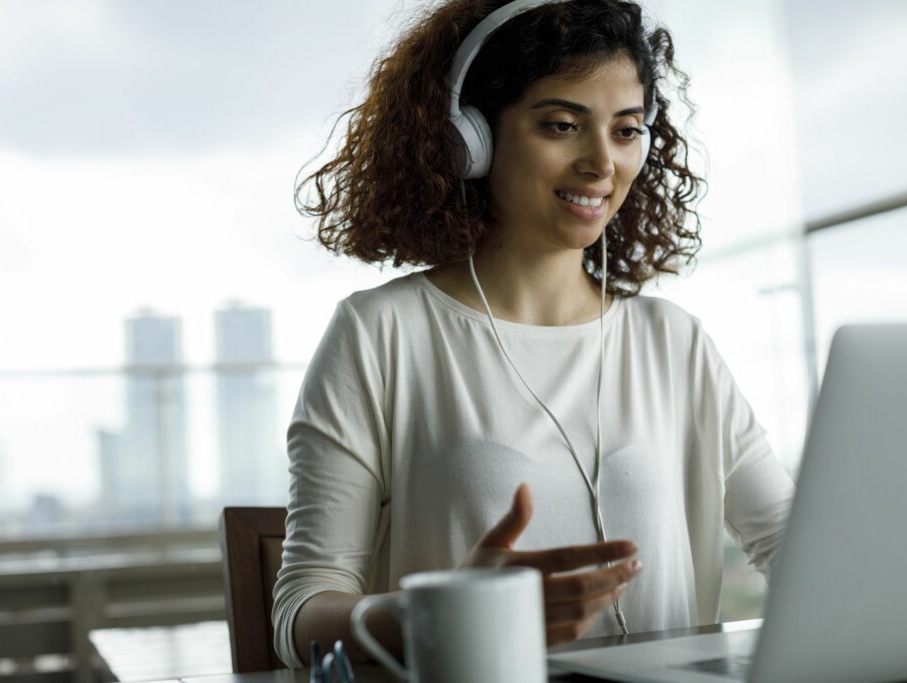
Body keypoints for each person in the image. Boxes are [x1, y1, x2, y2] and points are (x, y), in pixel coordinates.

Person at [273, 0, 795, 669]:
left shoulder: (675, 342)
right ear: (472, 138)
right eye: (561, 125)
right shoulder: (380, 334)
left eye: (627, 129)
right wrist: (440, 609)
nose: (602, 163)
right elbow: (299, 615)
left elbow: (795, 546)